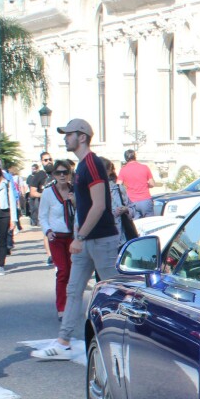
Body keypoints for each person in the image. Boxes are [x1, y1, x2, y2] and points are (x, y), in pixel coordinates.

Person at [33, 118, 123, 361]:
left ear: (82, 137)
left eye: (69, 134)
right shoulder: (83, 166)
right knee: (74, 289)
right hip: (86, 241)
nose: (65, 138)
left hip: (101, 239)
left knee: (113, 290)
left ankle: (124, 340)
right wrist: (79, 235)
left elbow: (100, 205)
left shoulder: (91, 164)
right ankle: (63, 341)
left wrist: (79, 235)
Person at [38, 161, 75, 320]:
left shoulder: (74, 191)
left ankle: (72, 305)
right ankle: (61, 307)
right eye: (58, 173)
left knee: (74, 274)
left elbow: (82, 213)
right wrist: (48, 231)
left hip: (73, 237)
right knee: (63, 271)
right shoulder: (48, 192)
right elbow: (42, 216)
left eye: (65, 172)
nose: (62, 175)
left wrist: (74, 201)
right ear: (53, 175)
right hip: (57, 238)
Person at [118, 148, 157, 217]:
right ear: (135, 157)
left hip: (132, 202)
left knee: (136, 225)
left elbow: (118, 185)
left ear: (126, 159)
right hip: (145, 200)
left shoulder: (123, 170)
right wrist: (146, 185)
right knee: (150, 224)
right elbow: (152, 184)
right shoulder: (144, 167)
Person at [26, 151, 53, 226]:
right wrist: (44, 195)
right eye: (46, 160)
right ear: (42, 162)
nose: (49, 161)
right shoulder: (39, 175)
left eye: (50, 159)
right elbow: (32, 193)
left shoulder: (58, 172)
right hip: (45, 207)